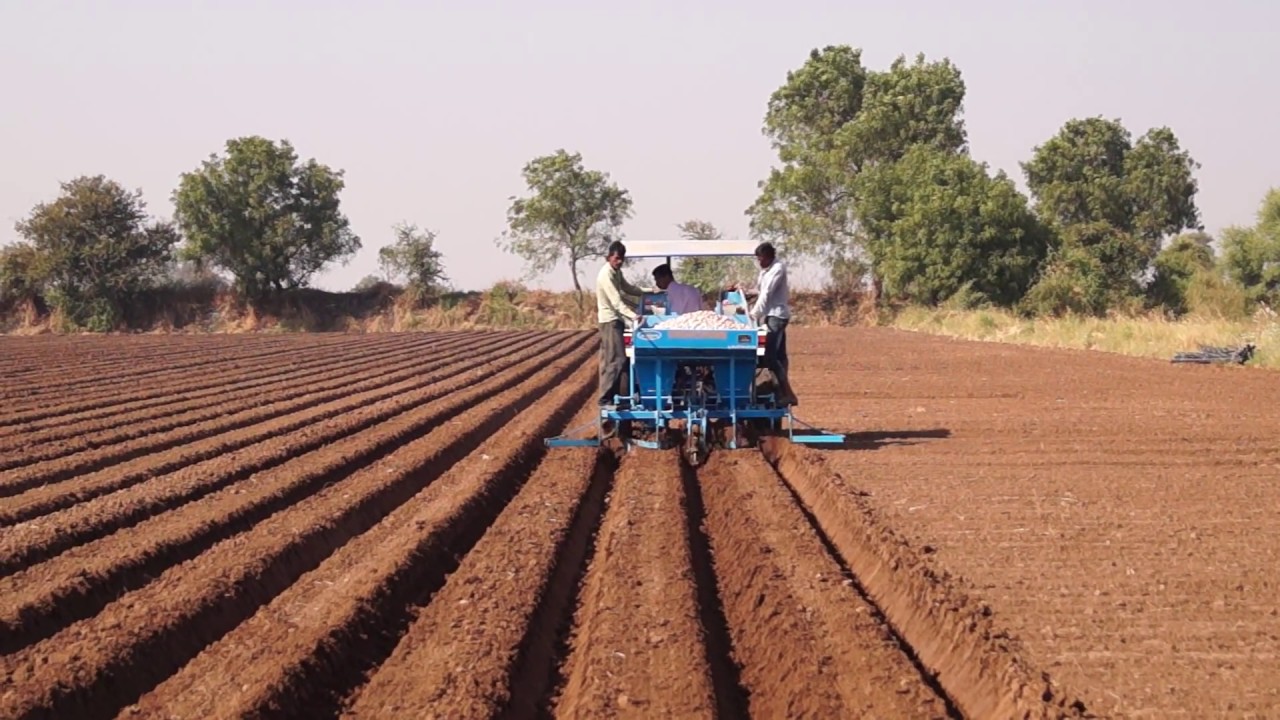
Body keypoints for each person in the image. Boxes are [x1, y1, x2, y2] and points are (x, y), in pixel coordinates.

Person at [732, 242, 798, 406]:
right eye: (758, 259)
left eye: (761, 259)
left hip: (776, 316)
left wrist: (753, 314)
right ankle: (782, 393)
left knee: (769, 357)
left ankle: (787, 393)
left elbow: (766, 294)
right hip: (769, 315)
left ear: (769, 256)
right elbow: (760, 292)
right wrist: (745, 292)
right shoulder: (766, 271)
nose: (759, 262)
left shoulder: (777, 269)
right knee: (780, 356)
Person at [596, 240, 646, 408]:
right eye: (616, 258)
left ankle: (621, 398)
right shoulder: (606, 275)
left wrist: (649, 293)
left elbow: (628, 288)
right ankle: (605, 400)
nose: (619, 261)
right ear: (609, 257)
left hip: (617, 320)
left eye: (621, 259)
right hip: (609, 320)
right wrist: (634, 316)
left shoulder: (617, 272)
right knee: (614, 360)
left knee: (622, 362)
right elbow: (616, 302)